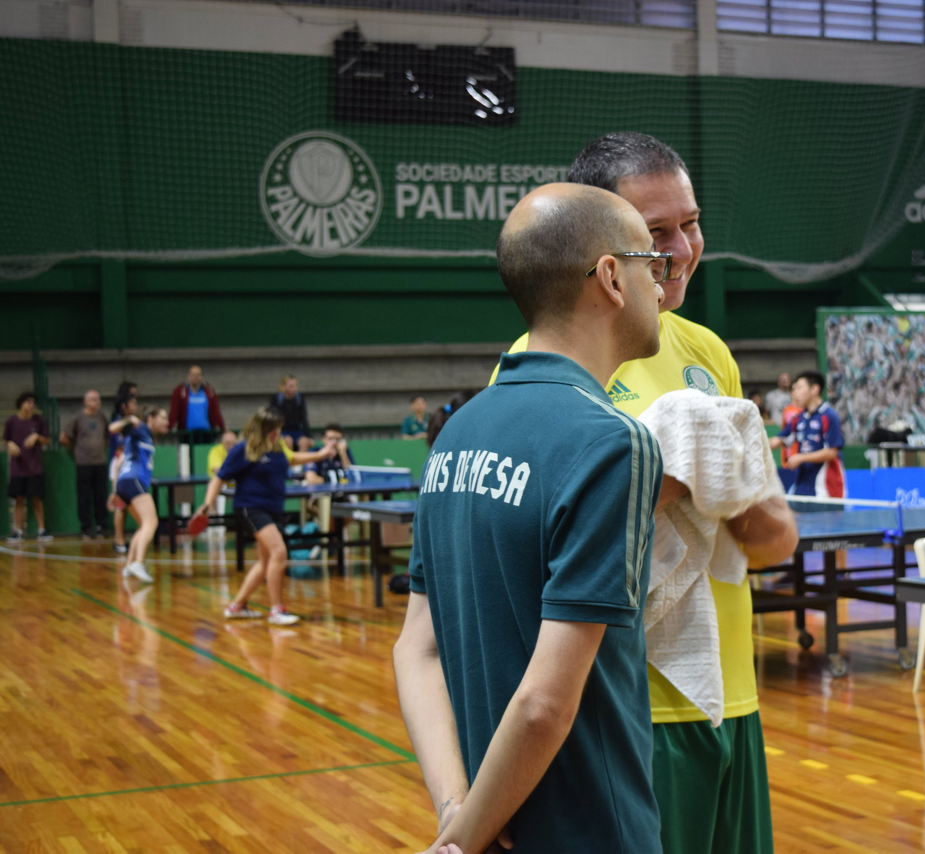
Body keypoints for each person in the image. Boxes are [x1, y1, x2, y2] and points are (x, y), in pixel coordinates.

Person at [492, 133, 797, 854]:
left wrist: (727, 485)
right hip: (624, 713)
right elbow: (537, 548)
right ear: (605, 245)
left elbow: (775, 541)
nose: (683, 250)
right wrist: (665, 477)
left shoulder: (708, 353)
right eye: (657, 233)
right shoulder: (537, 365)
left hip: (732, 700)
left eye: (691, 224)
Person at [395, 183, 666, 853]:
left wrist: (458, 813)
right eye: (651, 262)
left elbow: (415, 649)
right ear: (611, 277)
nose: (662, 285)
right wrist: (464, 840)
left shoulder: (456, 433)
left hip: (484, 822)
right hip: (593, 832)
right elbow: (545, 704)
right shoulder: (613, 443)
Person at [192, 408, 335, 625]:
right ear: (261, 428)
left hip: (273, 509)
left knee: (266, 560)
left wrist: (322, 453)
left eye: (279, 428)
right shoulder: (244, 449)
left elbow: (293, 458)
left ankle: (237, 606)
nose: (277, 432)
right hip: (251, 507)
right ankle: (277, 610)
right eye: (273, 429)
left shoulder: (277, 446)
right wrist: (207, 502)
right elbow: (219, 478)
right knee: (279, 552)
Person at [109, 405, 171, 583]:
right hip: (134, 480)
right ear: (150, 418)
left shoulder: (144, 435)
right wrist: (130, 419)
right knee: (151, 522)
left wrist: (115, 489)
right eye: (163, 418)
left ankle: (129, 565)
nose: (167, 422)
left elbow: (120, 461)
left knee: (143, 525)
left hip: (126, 482)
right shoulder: (141, 428)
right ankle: (139, 563)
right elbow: (112, 428)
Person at [770, 371, 845, 497]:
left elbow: (831, 452)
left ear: (814, 389)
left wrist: (801, 457)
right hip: (801, 487)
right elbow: (777, 440)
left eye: (799, 388)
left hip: (825, 490)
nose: (795, 393)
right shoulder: (798, 418)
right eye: (794, 389)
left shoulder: (829, 416)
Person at [60, 389, 110, 539]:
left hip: (100, 462)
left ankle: (101, 526)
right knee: (84, 497)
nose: (98, 402)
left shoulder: (102, 417)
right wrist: (75, 449)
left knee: (101, 495)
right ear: (86, 402)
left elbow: (108, 436)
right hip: (83, 463)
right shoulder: (78, 418)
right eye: (94, 399)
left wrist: (102, 447)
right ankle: (86, 527)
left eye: (99, 399)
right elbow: (64, 437)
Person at [5, 392, 53, 543]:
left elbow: (48, 440)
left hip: (34, 467)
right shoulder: (12, 421)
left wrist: (37, 436)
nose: (31, 405)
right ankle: (18, 532)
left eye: (33, 402)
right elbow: (6, 439)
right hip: (18, 468)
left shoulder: (38, 420)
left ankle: (41, 530)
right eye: (28, 402)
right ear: (21, 403)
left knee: (37, 499)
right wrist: (10, 444)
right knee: (19, 499)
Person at [109, 384, 138, 554]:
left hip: (131, 465)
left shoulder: (134, 423)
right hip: (121, 465)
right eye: (132, 403)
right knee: (121, 505)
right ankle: (119, 541)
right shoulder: (120, 423)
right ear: (124, 406)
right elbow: (120, 448)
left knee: (126, 505)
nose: (135, 406)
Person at [169, 365, 226, 446]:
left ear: (201, 376)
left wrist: (223, 427)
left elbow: (216, 410)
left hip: (206, 434)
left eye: (198, 375)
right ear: (188, 376)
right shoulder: (181, 391)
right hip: (187, 434)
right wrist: (169, 427)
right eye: (193, 375)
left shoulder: (209, 391)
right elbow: (174, 410)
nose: (195, 377)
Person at [269, 375, 312, 451]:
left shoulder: (299, 397)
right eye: (291, 386)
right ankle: (290, 459)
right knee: (288, 441)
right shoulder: (276, 398)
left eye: (295, 386)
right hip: (283, 430)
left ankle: (301, 458)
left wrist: (308, 436)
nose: (294, 388)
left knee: (304, 442)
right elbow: (273, 418)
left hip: (297, 430)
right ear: (283, 387)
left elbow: (304, 418)